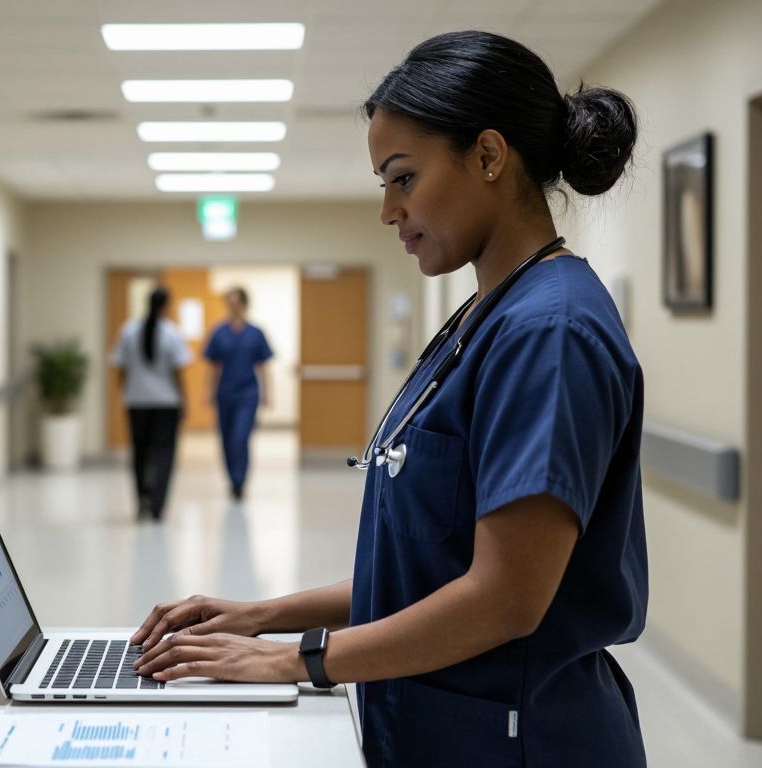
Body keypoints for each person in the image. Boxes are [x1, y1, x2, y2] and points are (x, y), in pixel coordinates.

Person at [128, 30, 648, 768]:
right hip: (444, 725)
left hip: (520, 742)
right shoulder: (487, 315)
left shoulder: (549, 331)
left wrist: (293, 661)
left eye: (403, 178)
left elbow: (505, 597)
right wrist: (262, 615)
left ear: (491, 156)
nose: (388, 210)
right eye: (383, 184)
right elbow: (427, 568)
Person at [112, 287, 190, 520]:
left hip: (136, 401)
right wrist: (184, 400)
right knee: (164, 453)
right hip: (166, 402)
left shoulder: (128, 330)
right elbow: (179, 372)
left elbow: (120, 367)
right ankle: (158, 504)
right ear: (166, 306)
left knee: (140, 452)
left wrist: (125, 394)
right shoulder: (172, 332)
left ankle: (142, 500)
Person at [203, 287, 273, 500]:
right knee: (226, 439)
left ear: (244, 304)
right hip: (225, 392)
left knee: (240, 438)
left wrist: (266, 393)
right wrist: (209, 391)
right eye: (229, 303)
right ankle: (232, 479)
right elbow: (213, 366)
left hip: (247, 393)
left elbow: (262, 366)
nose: (233, 307)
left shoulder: (255, 332)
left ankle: (240, 480)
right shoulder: (218, 332)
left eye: (236, 302)